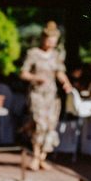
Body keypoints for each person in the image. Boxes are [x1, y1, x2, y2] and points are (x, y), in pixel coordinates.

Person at [19, 21, 72, 171]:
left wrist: (66, 83)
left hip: (51, 95)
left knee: (50, 126)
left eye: (54, 40)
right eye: (49, 39)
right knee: (39, 125)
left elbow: (59, 72)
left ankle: (42, 157)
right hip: (37, 94)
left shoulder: (56, 55)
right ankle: (35, 157)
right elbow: (23, 73)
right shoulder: (33, 53)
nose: (52, 42)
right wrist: (35, 78)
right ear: (44, 38)